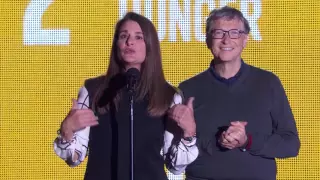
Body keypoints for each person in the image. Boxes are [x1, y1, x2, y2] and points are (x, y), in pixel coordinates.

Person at [53, 12, 198, 180]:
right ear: (116, 45)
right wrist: (67, 131)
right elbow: (74, 158)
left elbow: (176, 167)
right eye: (124, 36)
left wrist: (189, 134)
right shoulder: (93, 90)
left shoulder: (168, 95)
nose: (130, 42)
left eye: (138, 37)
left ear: (150, 45)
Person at [168, 6, 300, 180]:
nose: (226, 40)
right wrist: (213, 141)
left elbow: (291, 145)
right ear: (207, 40)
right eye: (218, 33)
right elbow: (175, 159)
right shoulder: (188, 89)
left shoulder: (268, 83)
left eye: (234, 33)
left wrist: (247, 141)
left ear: (245, 39)